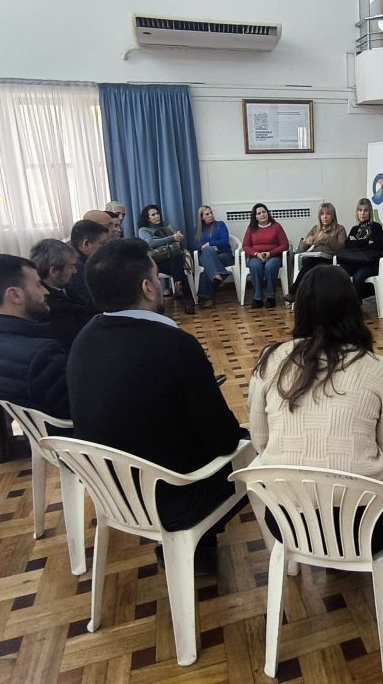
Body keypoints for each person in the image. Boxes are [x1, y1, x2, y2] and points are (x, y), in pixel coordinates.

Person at [67, 238, 246, 574]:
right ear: (148, 287)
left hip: (111, 491)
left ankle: (196, 548)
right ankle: (198, 543)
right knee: (248, 449)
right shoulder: (175, 345)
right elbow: (224, 439)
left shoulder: (84, 337)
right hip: (171, 497)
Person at [248, 265, 383, 553]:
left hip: (288, 524)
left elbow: (260, 443)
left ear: (300, 309)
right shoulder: (379, 369)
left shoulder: (271, 360)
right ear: (353, 309)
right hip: (367, 530)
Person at [0, 254, 71, 420]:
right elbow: (80, 408)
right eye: (38, 285)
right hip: (67, 434)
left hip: (34, 431)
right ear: (15, 295)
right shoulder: (42, 354)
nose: (46, 291)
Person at [29, 238, 90, 349]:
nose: (75, 271)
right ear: (54, 272)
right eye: (71, 266)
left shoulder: (64, 289)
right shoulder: (47, 309)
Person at [137, 204, 196, 315]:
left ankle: (178, 287)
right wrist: (172, 238)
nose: (157, 216)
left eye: (157, 213)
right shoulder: (144, 230)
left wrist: (178, 238)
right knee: (179, 270)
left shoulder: (165, 228)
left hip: (172, 260)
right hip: (156, 262)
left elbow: (176, 245)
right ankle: (187, 300)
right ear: (147, 218)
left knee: (177, 257)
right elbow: (150, 243)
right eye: (153, 215)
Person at [283, 203, 346, 303]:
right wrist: (307, 241)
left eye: (328, 214)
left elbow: (341, 248)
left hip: (330, 259)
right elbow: (302, 249)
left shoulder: (340, 229)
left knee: (311, 266)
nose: (325, 217)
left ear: (333, 216)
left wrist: (328, 238)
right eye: (322, 214)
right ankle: (302, 296)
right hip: (314, 257)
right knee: (310, 264)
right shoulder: (315, 229)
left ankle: (294, 293)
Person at [336, 198, 383, 302]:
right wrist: (366, 241)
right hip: (354, 262)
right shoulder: (355, 229)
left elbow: (376, 247)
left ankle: (356, 306)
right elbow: (347, 246)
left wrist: (356, 242)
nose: (362, 213)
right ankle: (342, 304)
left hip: (370, 264)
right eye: (360, 210)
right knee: (338, 273)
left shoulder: (376, 227)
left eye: (365, 210)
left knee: (358, 277)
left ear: (370, 212)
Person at [242, 203, 289, 309]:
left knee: (270, 266)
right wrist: (256, 254)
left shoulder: (276, 226)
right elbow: (245, 245)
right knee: (255, 266)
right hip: (256, 256)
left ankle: (270, 297)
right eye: (259, 213)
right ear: (255, 217)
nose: (262, 214)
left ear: (268, 213)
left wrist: (270, 253)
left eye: (264, 212)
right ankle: (258, 298)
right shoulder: (251, 228)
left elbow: (285, 244)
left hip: (273, 256)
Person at [194, 205, 234, 309]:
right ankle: (217, 276)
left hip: (224, 255)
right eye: (207, 214)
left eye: (211, 213)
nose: (211, 215)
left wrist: (210, 244)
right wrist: (205, 247)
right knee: (208, 252)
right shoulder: (198, 229)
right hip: (208, 257)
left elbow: (225, 241)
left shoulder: (220, 225)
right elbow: (195, 245)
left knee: (207, 268)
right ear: (202, 217)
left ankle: (208, 298)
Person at [68, 219, 111, 307]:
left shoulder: (76, 254)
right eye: (103, 244)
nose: (107, 249)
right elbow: (93, 302)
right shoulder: (76, 269)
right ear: (86, 244)